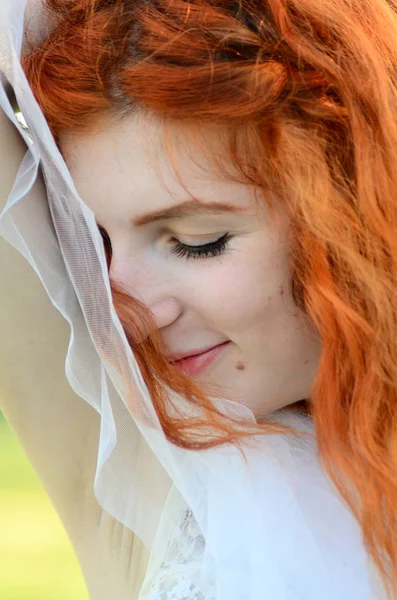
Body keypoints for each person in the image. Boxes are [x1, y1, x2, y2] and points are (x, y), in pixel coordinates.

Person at [1, 0, 397, 598]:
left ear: (353, 216)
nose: (126, 314)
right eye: (92, 246)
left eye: (197, 242)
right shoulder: (147, 481)